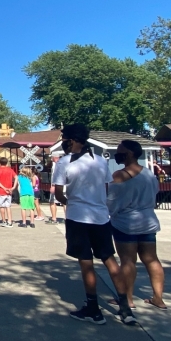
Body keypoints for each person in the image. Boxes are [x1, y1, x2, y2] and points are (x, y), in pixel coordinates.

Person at [54, 124, 136, 326]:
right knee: (110, 260)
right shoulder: (100, 161)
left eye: (65, 138)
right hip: (100, 217)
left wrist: (70, 202)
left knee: (86, 262)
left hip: (78, 217)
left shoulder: (64, 163)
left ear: (72, 140)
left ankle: (93, 308)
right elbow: (106, 188)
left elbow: (58, 193)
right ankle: (125, 308)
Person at [108, 139, 166, 310]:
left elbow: (111, 200)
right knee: (151, 259)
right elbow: (155, 192)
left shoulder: (120, 175)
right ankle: (158, 298)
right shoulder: (149, 174)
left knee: (127, 260)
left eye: (121, 151)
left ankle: (128, 298)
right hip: (148, 221)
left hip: (126, 222)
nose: (118, 154)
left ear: (131, 153)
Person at [0, 157, 17, 228]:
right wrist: (13, 187)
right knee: (8, 206)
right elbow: (16, 177)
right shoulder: (10, 170)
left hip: (1, 191)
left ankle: (3, 220)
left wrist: (3, 188)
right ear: (7, 163)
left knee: (2, 206)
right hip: (9, 190)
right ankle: (9, 221)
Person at [47, 156, 63, 224]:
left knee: (52, 201)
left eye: (52, 157)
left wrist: (53, 185)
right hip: (64, 186)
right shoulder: (65, 164)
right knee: (65, 203)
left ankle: (54, 218)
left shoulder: (56, 165)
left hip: (57, 186)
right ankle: (67, 218)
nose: (51, 159)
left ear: (56, 157)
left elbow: (55, 176)